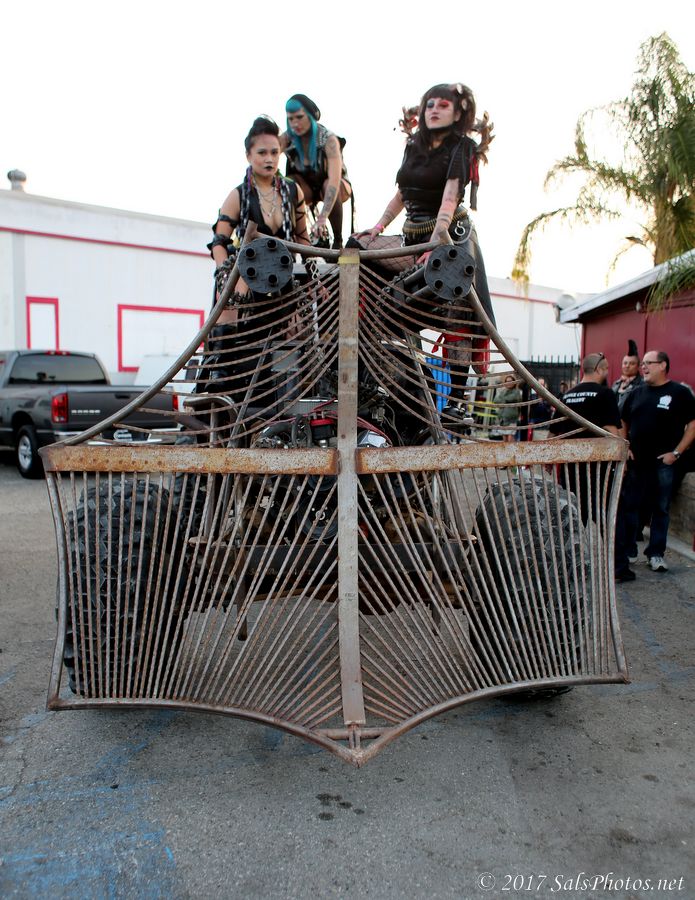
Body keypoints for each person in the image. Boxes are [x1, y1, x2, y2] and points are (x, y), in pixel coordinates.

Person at [359, 82, 495, 413]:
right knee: (357, 250)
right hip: (411, 239)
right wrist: (377, 228)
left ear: (458, 113)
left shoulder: (462, 147)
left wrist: (437, 241)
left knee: (457, 310)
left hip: (451, 238)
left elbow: (450, 198)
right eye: (430, 104)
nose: (434, 110)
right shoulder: (414, 145)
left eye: (443, 105)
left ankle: (457, 403)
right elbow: (402, 194)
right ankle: (371, 369)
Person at [203, 116, 310, 399]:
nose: (269, 159)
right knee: (227, 294)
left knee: (304, 321)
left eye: (274, 152)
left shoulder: (292, 191)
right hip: (246, 274)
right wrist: (226, 276)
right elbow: (219, 243)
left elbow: (303, 241)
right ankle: (220, 372)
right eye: (262, 152)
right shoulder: (238, 195)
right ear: (248, 155)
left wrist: (310, 278)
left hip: (284, 276)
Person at [615, 350, 695, 580]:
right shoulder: (635, 393)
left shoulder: (679, 393)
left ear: (663, 365)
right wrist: (625, 447)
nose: (644, 367)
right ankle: (628, 551)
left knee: (660, 509)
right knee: (630, 507)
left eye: (649, 363)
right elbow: (622, 421)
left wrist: (676, 453)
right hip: (637, 462)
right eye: (643, 363)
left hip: (664, 463)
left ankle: (656, 553)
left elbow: (693, 425)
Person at [549, 352, 621, 524]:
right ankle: (602, 542)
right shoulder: (605, 394)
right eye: (606, 369)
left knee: (573, 512)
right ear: (599, 370)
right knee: (602, 513)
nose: (607, 373)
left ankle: (575, 539)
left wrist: (549, 460)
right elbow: (612, 431)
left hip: (569, 465)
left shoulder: (567, 395)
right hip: (597, 466)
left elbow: (553, 433)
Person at [281, 94, 352, 248]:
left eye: (299, 117)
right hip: (307, 188)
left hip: (336, 185)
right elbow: (267, 153)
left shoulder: (329, 139)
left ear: (311, 115)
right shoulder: (287, 138)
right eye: (290, 119)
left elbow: (334, 180)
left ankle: (338, 241)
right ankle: (296, 240)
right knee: (288, 184)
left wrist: (322, 218)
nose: (295, 123)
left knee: (329, 186)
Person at [612, 339, 643, 414]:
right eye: (625, 363)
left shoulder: (642, 384)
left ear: (638, 366)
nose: (627, 366)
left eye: (632, 363)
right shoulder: (616, 383)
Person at [495, 374, 522, 443]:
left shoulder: (517, 391)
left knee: (510, 438)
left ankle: (513, 450)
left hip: (512, 419)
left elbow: (512, 398)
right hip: (502, 419)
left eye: (510, 381)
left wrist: (503, 400)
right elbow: (496, 400)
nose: (508, 383)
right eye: (507, 381)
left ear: (514, 382)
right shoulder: (503, 391)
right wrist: (505, 400)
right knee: (504, 439)